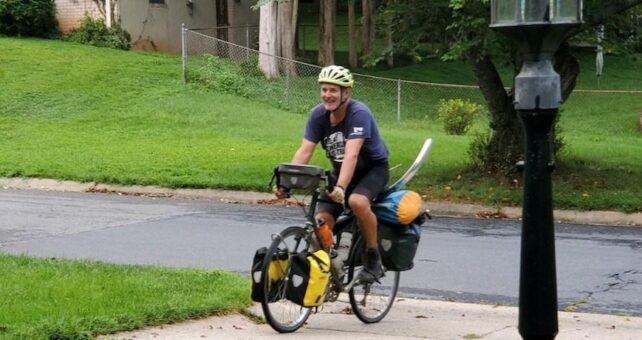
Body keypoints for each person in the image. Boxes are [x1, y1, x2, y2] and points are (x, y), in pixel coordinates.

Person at [275, 65, 389, 283]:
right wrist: (286, 182)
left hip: (372, 170)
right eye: (324, 90)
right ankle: (331, 269)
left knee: (356, 202)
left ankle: (373, 259)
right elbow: (305, 151)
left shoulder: (359, 114)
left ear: (346, 93)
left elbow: (351, 154)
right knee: (320, 225)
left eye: (333, 90)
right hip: (341, 173)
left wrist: (341, 188)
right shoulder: (318, 115)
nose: (328, 95)